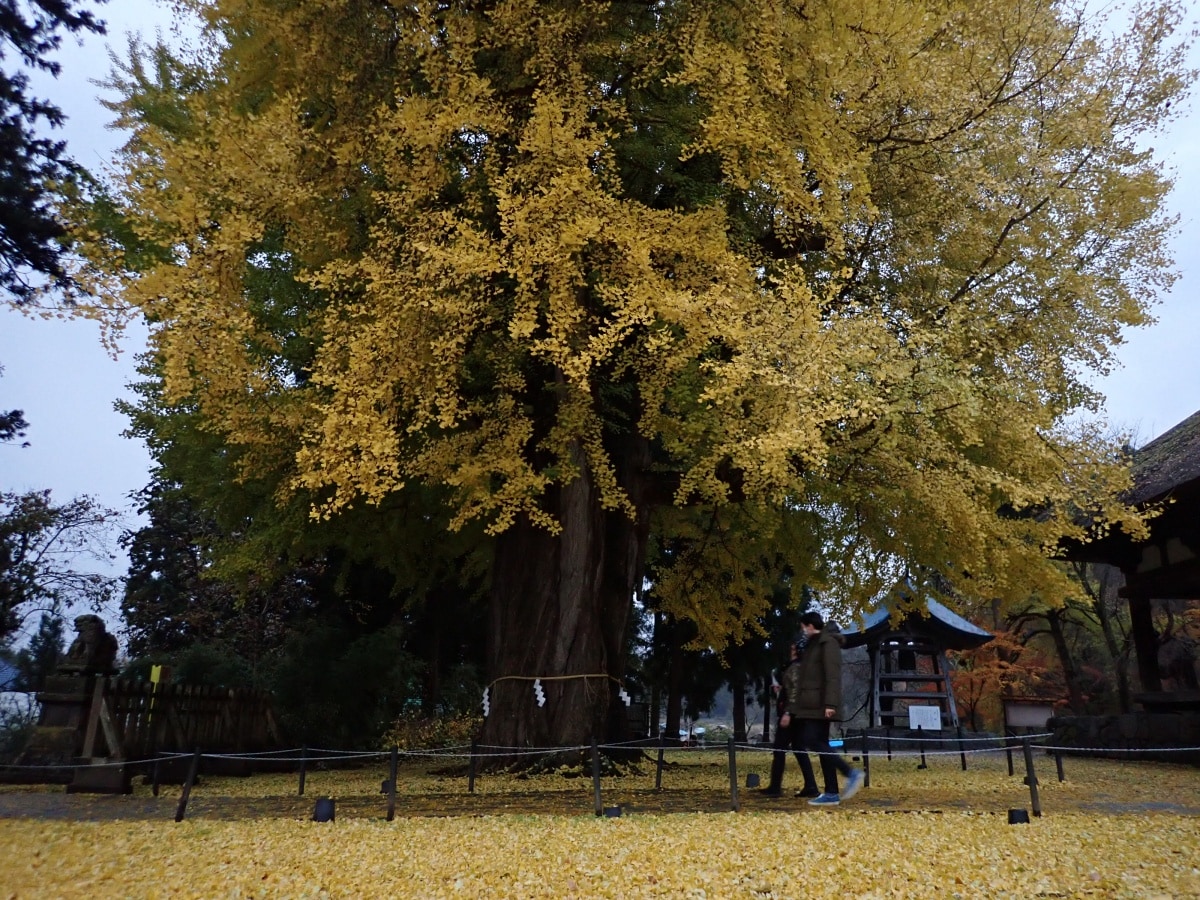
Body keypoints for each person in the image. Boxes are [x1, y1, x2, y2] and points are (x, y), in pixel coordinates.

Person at [782, 611, 864, 806]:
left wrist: (830, 704)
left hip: (820, 704)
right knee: (820, 744)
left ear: (811, 625)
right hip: (811, 703)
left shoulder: (828, 644)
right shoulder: (813, 645)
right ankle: (831, 792)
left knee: (812, 740)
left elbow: (832, 675)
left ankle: (850, 773)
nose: (803, 631)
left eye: (804, 626)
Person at [758, 639, 819, 798]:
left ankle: (775, 786)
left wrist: (787, 713)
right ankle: (810, 785)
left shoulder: (796, 668)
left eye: (793, 650)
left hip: (792, 714)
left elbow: (795, 693)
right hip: (798, 714)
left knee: (779, 748)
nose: (791, 653)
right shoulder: (799, 668)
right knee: (798, 748)